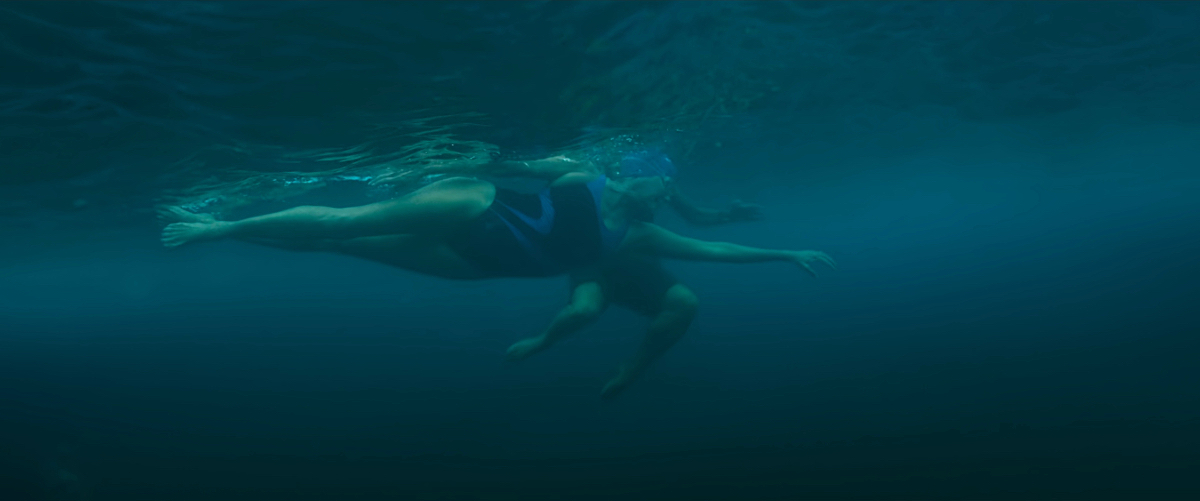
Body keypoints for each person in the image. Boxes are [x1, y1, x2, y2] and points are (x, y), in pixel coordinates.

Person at [161, 153, 835, 395]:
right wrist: (464, 158)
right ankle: (213, 226)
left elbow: (715, 253)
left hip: (471, 262)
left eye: (665, 188)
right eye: (649, 179)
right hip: (474, 206)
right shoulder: (583, 171)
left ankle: (227, 233)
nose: (656, 191)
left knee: (336, 247)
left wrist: (785, 252)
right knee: (349, 223)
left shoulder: (641, 232)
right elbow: (516, 160)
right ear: (629, 172)